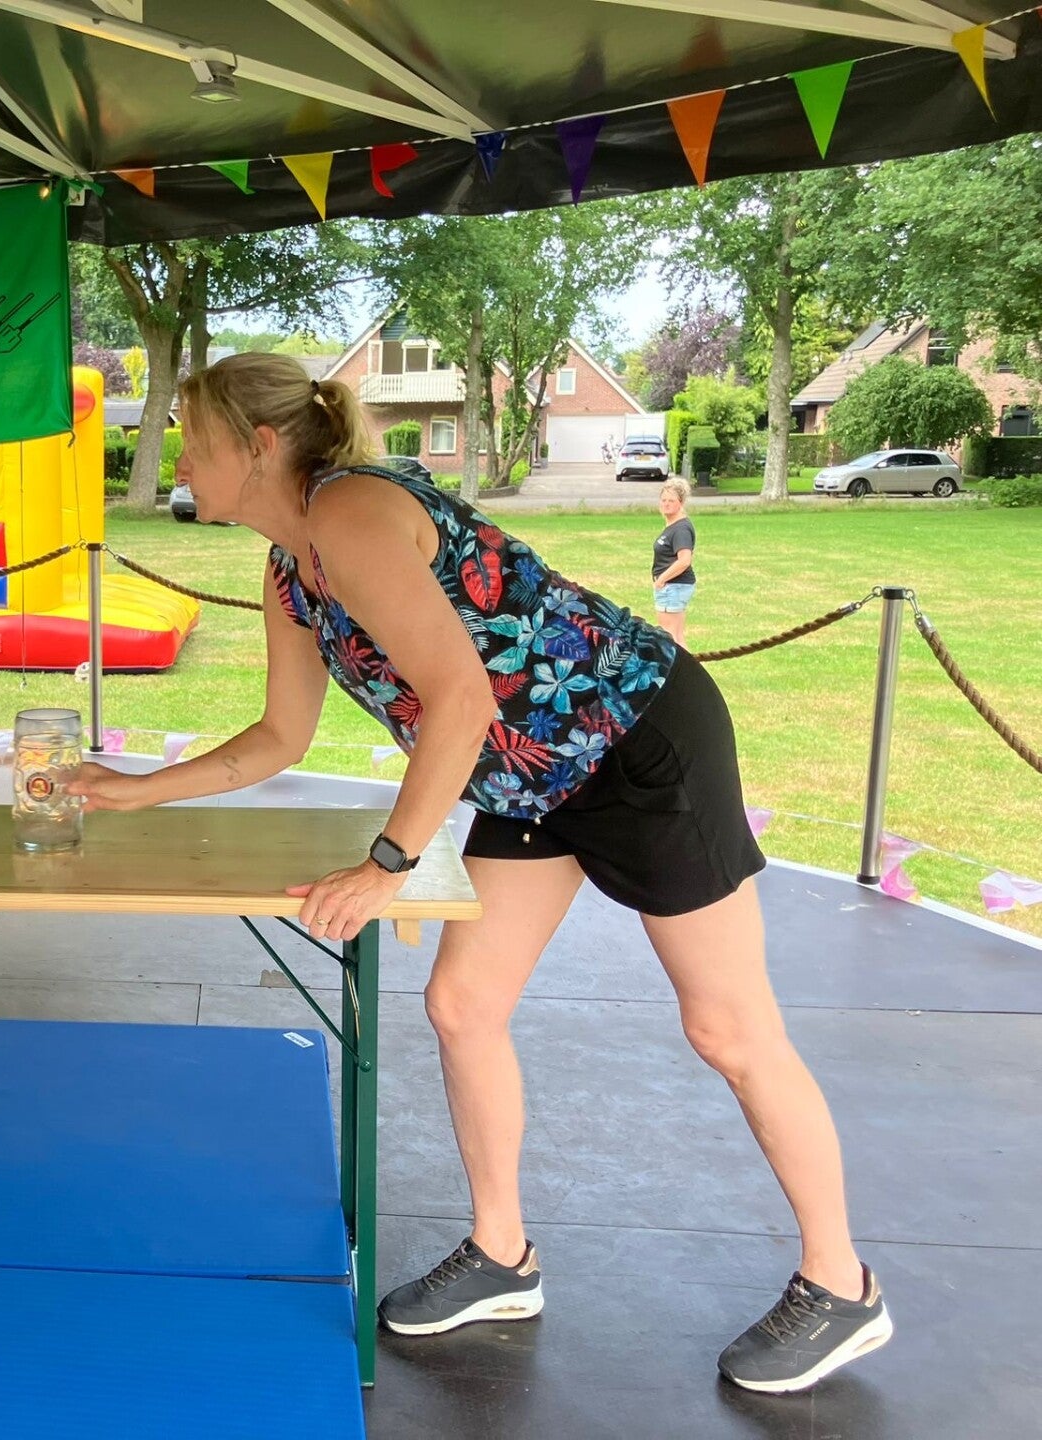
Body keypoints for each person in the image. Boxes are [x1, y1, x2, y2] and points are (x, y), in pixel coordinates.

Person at [69, 354, 888, 1395]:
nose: (180, 461)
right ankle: (503, 1256)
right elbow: (281, 735)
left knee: (728, 1029)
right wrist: (135, 790)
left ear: (260, 447)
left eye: (193, 439)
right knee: (463, 1005)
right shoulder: (289, 569)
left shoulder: (352, 512)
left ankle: (841, 1283)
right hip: (528, 773)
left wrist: (388, 864)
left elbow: (460, 698)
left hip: (637, 738)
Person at [652, 478, 697, 645]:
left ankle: (678, 663)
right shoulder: (674, 526)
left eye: (671, 500)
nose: (666, 504)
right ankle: (687, 663)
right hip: (674, 587)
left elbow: (684, 560)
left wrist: (661, 580)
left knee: (668, 637)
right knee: (676, 637)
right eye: (663, 500)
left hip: (673, 587)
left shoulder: (681, 529)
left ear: (681, 502)